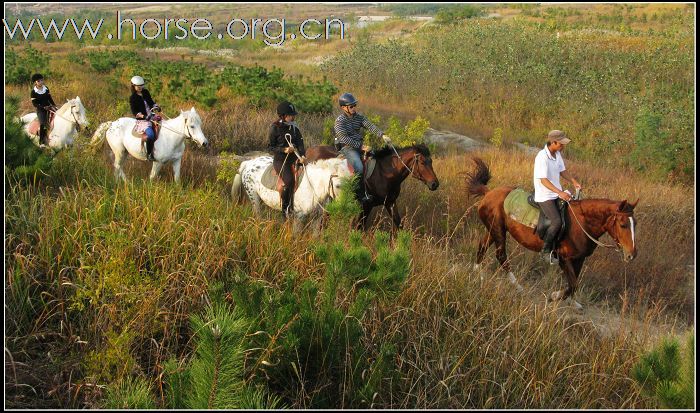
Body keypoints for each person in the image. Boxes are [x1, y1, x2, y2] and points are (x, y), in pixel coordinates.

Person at [533, 130, 582, 264]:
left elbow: (562, 171)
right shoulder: (541, 157)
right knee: (557, 222)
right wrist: (560, 193)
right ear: (553, 142)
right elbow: (543, 180)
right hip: (544, 195)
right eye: (561, 144)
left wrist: (574, 181)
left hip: (556, 192)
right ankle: (545, 250)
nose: (563, 146)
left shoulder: (557, 154)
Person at [333, 92, 392, 204]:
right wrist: (361, 146)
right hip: (347, 148)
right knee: (359, 167)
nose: (354, 108)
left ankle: (373, 189)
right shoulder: (339, 121)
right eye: (351, 106)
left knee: (377, 161)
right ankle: (359, 195)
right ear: (343, 108)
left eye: (355, 105)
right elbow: (344, 139)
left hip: (360, 147)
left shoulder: (359, 117)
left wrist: (382, 135)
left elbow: (370, 126)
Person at [268, 101, 306, 219]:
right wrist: (284, 149)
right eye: (290, 115)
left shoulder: (295, 127)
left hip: (295, 158)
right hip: (280, 160)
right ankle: (285, 210)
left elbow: (300, 144)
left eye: (293, 115)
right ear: (283, 116)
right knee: (289, 181)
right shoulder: (275, 127)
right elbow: (270, 147)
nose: (293, 117)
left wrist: (303, 155)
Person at [129, 75, 161, 161]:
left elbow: (151, 102)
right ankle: (149, 154)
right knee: (150, 134)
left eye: (141, 86)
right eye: (138, 86)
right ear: (133, 86)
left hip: (152, 116)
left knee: (164, 125)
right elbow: (134, 112)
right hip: (143, 121)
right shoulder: (133, 98)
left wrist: (156, 106)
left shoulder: (145, 92)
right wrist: (144, 116)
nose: (140, 88)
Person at [30, 73, 57, 147]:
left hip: (49, 107)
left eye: (42, 80)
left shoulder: (46, 88)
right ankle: (41, 142)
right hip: (41, 110)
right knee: (43, 124)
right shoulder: (33, 92)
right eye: (39, 81)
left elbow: (49, 98)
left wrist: (54, 105)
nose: (41, 82)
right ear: (35, 82)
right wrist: (43, 107)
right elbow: (35, 104)